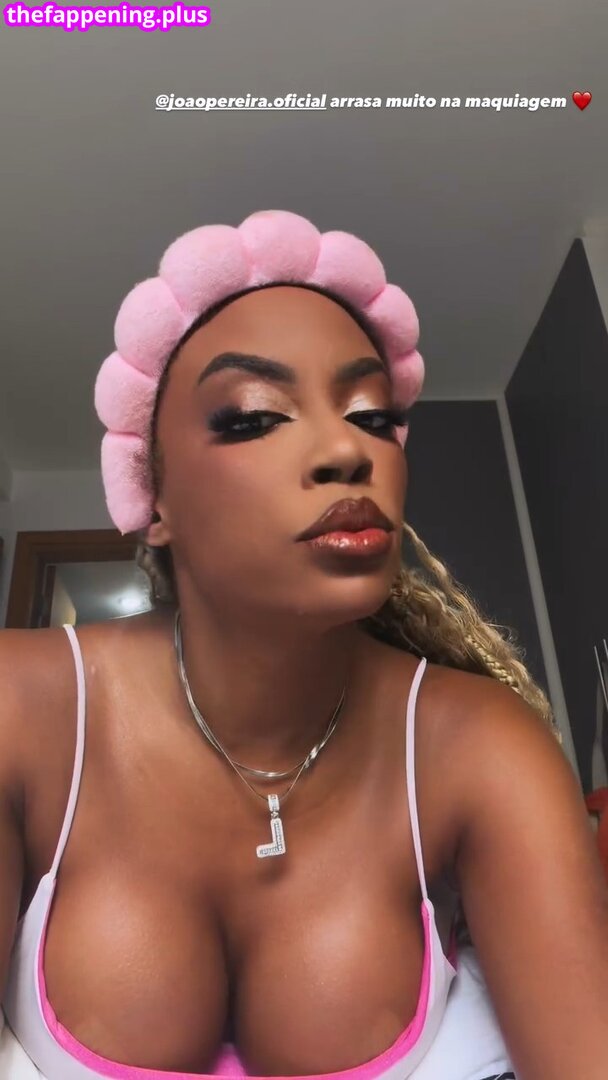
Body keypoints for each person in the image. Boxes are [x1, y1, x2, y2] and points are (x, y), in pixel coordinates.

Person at [1, 209, 607, 1080]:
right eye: (254, 417)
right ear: (153, 499)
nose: (346, 449)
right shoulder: (21, 707)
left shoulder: (478, 745)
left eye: (373, 415)